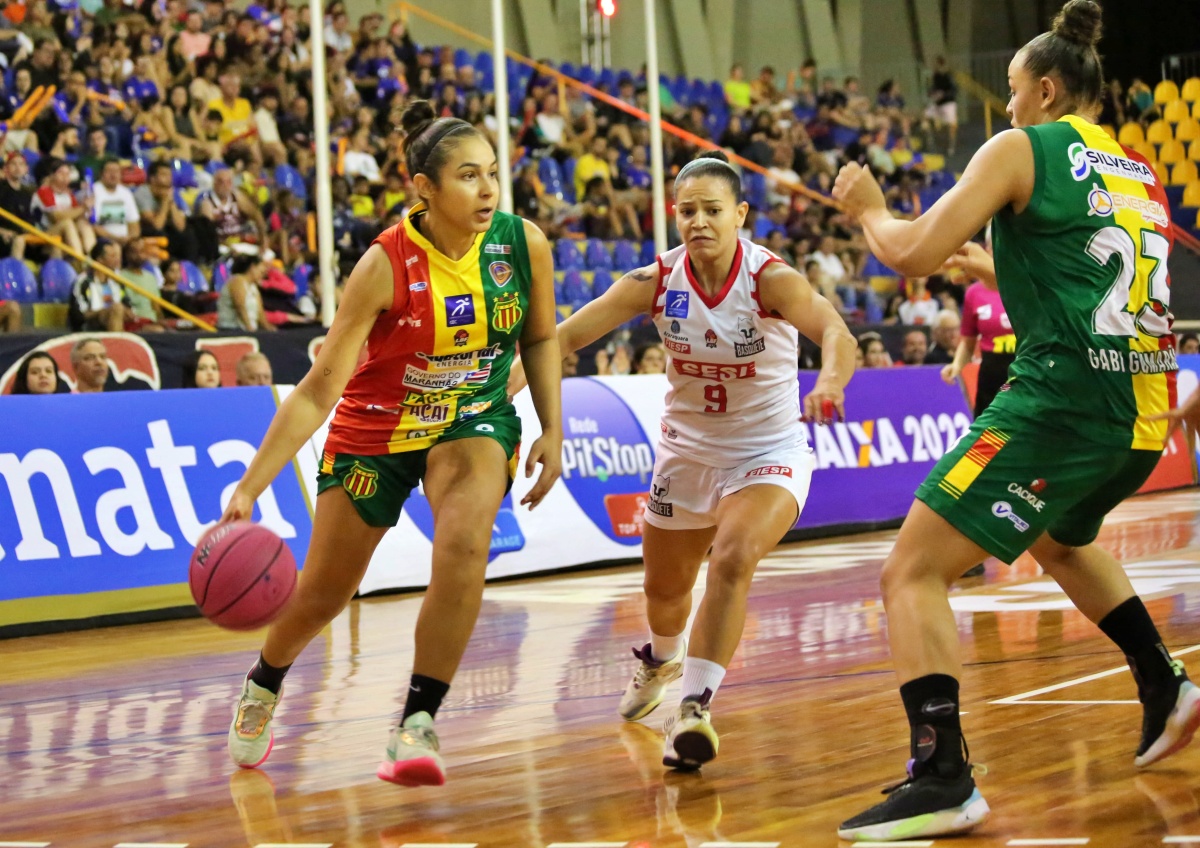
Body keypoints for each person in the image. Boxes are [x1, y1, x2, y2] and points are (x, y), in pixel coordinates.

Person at [832, 2, 1192, 839]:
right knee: (1060, 541)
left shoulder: (1021, 148)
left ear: (1049, 88)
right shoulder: (1136, 169)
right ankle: (1165, 684)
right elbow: (1088, 273)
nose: (1007, 106)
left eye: (1013, 90)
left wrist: (868, 209)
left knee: (910, 573)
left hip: (1060, 404)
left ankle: (943, 776)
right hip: (1140, 412)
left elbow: (911, 251)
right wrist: (999, 262)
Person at [219, 100, 562, 788]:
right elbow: (318, 390)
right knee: (321, 597)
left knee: (465, 545)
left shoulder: (523, 244)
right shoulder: (383, 265)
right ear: (424, 188)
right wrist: (252, 485)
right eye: (469, 176)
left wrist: (554, 426)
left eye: (492, 173)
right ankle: (265, 679)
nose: (489, 189)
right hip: (376, 430)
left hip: (472, 417)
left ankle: (416, 720)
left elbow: (541, 337)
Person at [511, 150, 855, 771]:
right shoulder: (654, 282)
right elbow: (560, 340)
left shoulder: (769, 280)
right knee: (664, 591)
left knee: (732, 557)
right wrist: (491, 401)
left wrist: (829, 381)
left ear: (740, 215)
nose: (698, 221)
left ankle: (694, 705)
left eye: (712, 210)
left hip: (767, 451)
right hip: (686, 454)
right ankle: (663, 658)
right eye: (687, 210)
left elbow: (836, 331)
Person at [216, 254, 269, 331]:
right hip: (232, 329)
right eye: (261, 272)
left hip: (248, 329)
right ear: (252, 267)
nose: (263, 275)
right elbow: (240, 306)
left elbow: (260, 313)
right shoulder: (237, 280)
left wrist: (269, 329)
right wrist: (249, 328)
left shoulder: (253, 287)